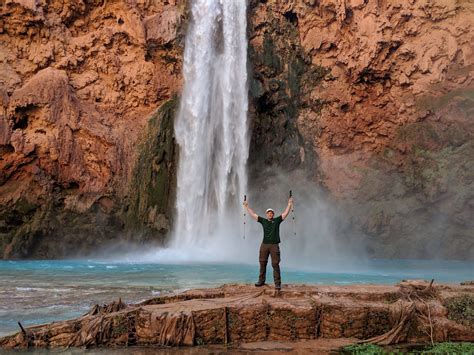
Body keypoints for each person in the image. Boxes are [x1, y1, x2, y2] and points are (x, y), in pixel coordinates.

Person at [243, 197, 293, 291]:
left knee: (275, 264)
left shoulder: (277, 221)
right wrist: (247, 207)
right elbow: (253, 215)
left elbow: (285, 214)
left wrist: (289, 205)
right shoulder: (264, 221)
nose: (270, 214)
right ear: (266, 214)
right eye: (268, 213)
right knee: (262, 263)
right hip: (264, 245)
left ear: (273, 214)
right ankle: (261, 281)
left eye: (271, 213)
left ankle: (277, 284)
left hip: (274, 245)